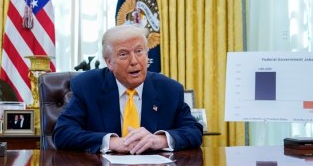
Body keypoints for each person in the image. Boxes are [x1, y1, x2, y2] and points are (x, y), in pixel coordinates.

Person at [53, 24, 203, 154]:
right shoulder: (87, 86)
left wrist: (160, 140)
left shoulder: (169, 90)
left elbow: (194, 131)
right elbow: (63, 133)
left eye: (139, 51)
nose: (134, 61)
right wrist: (112, 142)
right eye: (124, 54)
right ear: (109, 62)